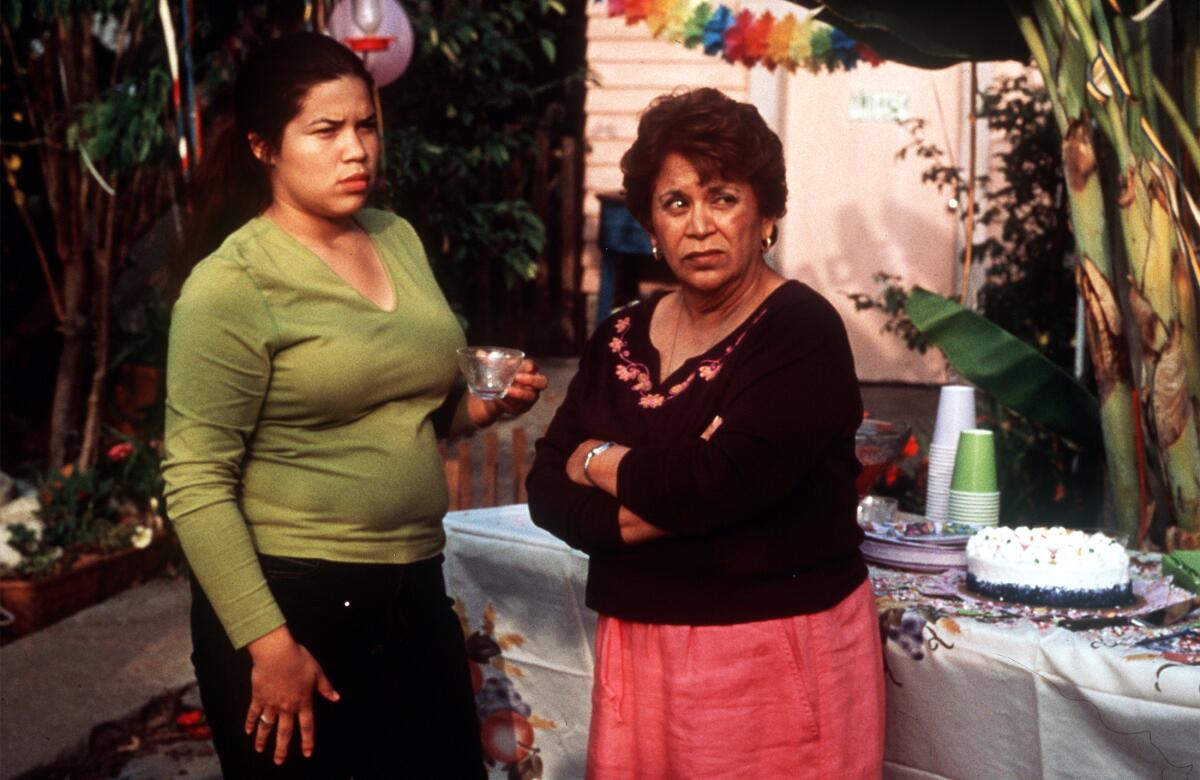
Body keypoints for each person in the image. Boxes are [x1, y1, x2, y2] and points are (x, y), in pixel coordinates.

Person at [162, 32, 546, 779]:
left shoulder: (394, 237)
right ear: (263, 147)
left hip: (415, 591)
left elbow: (419, 415)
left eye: (366, 125)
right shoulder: (231, 285)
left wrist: (483, 410)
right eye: (326, 130)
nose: (357, 150)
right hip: (292, 601)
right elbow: (196, 481)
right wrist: (268, 646)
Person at [526, 87, 884, 778]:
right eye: (676, 202)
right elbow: (546, 486)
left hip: (772, 655)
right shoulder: (620, 335)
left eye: (723, 197)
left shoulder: (799, 330)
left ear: (767, 215)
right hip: (637, 647)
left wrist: (596, 457)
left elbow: (720, 484)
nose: (699, 226)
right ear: (650, 225)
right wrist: (682, 494)